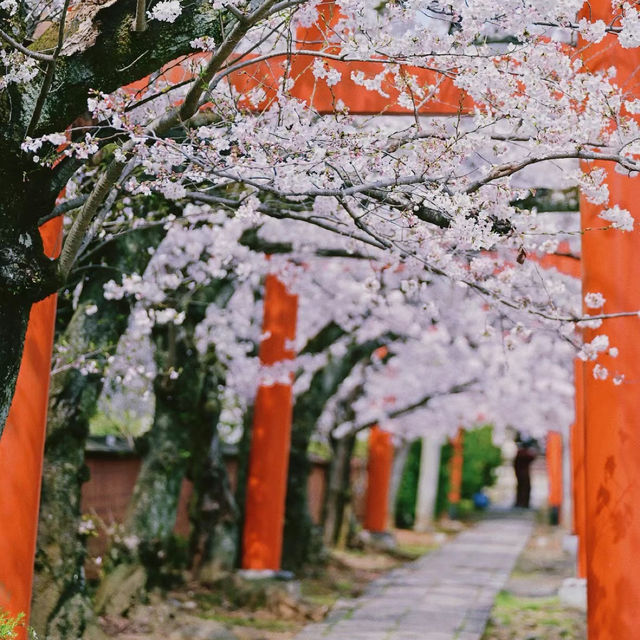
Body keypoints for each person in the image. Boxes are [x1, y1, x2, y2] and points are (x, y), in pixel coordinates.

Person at [513, 433, 538, 508]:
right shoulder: (523, 454)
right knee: (524, 488)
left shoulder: (520, 454)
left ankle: (522, 502)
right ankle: (523, 503)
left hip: (521, 474)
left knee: (522, 488)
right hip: (523, 474)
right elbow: (532, 457)